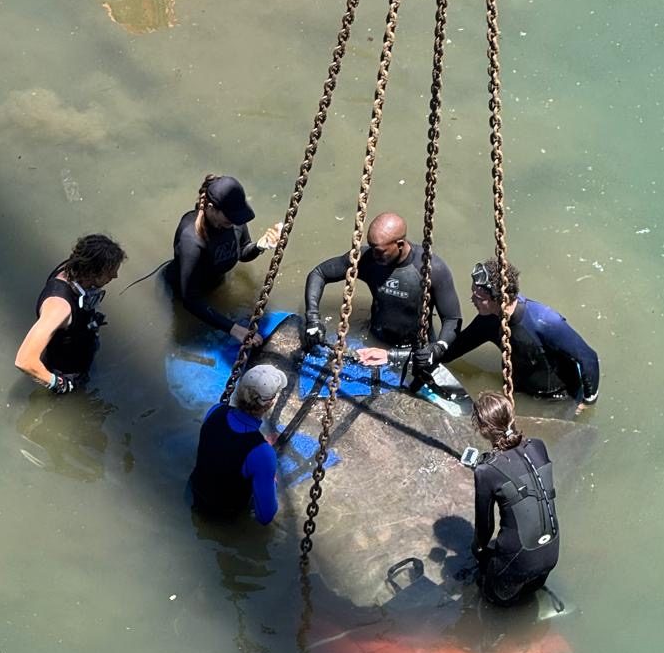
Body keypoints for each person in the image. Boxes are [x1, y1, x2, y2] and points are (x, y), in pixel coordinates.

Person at [303, 212, 462, 368]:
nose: (374, 255)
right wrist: (313, 319)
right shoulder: (369, 259)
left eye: (379, 251)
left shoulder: (432, 269)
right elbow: (319, 273)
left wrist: (438, 348)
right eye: (371, 247)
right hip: (373, 340)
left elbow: (452, 319)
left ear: (399, 244)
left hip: (414, 352)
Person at [441, 257, 600, 409]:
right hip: (520, 389)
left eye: (478, 297)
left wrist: (588, 402)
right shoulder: (488, 321)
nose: (472, 299)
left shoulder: (545, 321)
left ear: (499, 300)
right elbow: (455, 349)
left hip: (559, 397)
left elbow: (588, 358)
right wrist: (433, 352)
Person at [166, 174, 281, 345]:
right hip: (185, 293)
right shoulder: (191, 240)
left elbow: (242, 252)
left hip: (216, 284)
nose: (234, 223)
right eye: (229, 219)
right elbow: (189, 299)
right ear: (211, 208)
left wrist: (260, 245)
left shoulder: (234, 220)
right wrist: (234, 329)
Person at [470, 391, 559, 606]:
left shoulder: (486, 471)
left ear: (482, 429)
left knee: (491, 596)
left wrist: (478, 550)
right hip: (551, 555)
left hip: (519, 562)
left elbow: (485, 529)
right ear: (511, 416)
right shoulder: (538, 446)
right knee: (524, 589)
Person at [15, 234, 125, 393]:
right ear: (93, 271)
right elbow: (24, 360)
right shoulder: (59, 307)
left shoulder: (71, 268)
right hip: (68, 372)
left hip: (81, 348)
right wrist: (59, 384)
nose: (115, 276)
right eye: (110, 272)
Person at [189, 364, 286, 524]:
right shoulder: (262, 453)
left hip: (194, 493)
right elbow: (265, 517)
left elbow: (224, 449)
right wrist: (269, 473)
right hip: (225, 517)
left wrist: (260, 449)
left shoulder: (215, 411)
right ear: (269, 403)